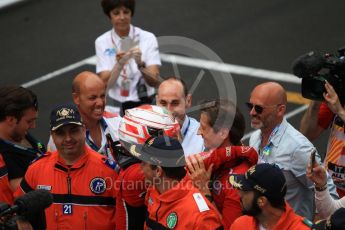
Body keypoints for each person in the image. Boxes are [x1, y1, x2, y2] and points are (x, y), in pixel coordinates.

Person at [15, 104, 118, 229]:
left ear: (84, 130)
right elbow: (20, 210)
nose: (68, 138)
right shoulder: (36, 169)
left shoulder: (109, 172)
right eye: (60, 133)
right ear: (52, 136)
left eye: (73, 130)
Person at [247, 81, 337, 220]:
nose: (251, 112)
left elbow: (329, 195)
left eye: (259, 109)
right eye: (250, 106)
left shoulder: (298, 148)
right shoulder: (255, 138)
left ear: (280, 110)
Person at [186, 99, 258, 228]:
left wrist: (205, 193)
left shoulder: (237, 183)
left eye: (203, 128)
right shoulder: (218, 155)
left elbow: (227, 227)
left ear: (223, 133)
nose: (198, 132)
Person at [124, 135, 223, 229]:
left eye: (144, 163)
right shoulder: (153, 190)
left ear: (158, 171)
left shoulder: (201, 218)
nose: (140, 168)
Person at [109, 104, 179, 230]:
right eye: (169, 138)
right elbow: (187, 169)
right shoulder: (135, 174)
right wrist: (227, 151)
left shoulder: (138, 162)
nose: (176, 144)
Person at [96, 0, 161, 115]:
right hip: (115, 108)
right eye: (116, 13)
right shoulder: (101, 42)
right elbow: (103, 85)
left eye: (126, 12)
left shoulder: (148, 38)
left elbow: (154, 81)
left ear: (131, 13)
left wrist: (140, 63)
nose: (122, 17)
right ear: (109, 15)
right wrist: (119, 65)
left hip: (145, 105)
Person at [47, 71, 121, 160]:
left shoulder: (118, 123)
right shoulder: (61, 137)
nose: (100, 103)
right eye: (92, 98)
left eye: (102, 96)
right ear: (76, 98)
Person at [229, 163, 312, 230]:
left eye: (245, 190)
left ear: (261, 201)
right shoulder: (240, 225)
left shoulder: (302, 228)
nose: (239, 194)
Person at [0, 86, 45, 204]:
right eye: (29, 121)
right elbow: (28, 194)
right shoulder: (4, 157)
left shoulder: (19, 134)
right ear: (10, 120)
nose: (34, 126)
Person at [300, 80, 345, 197]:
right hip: (332, 188)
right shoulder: (340, 95)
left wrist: (340, 111)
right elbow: (307, 134)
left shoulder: (338, 105)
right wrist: (316, 102)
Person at [156, 76, 204, 156]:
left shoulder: (202, 139)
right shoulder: (145, 131)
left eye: (175, 103)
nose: (168, 111)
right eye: (163, 103)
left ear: (188, 101)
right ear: (157, 102)